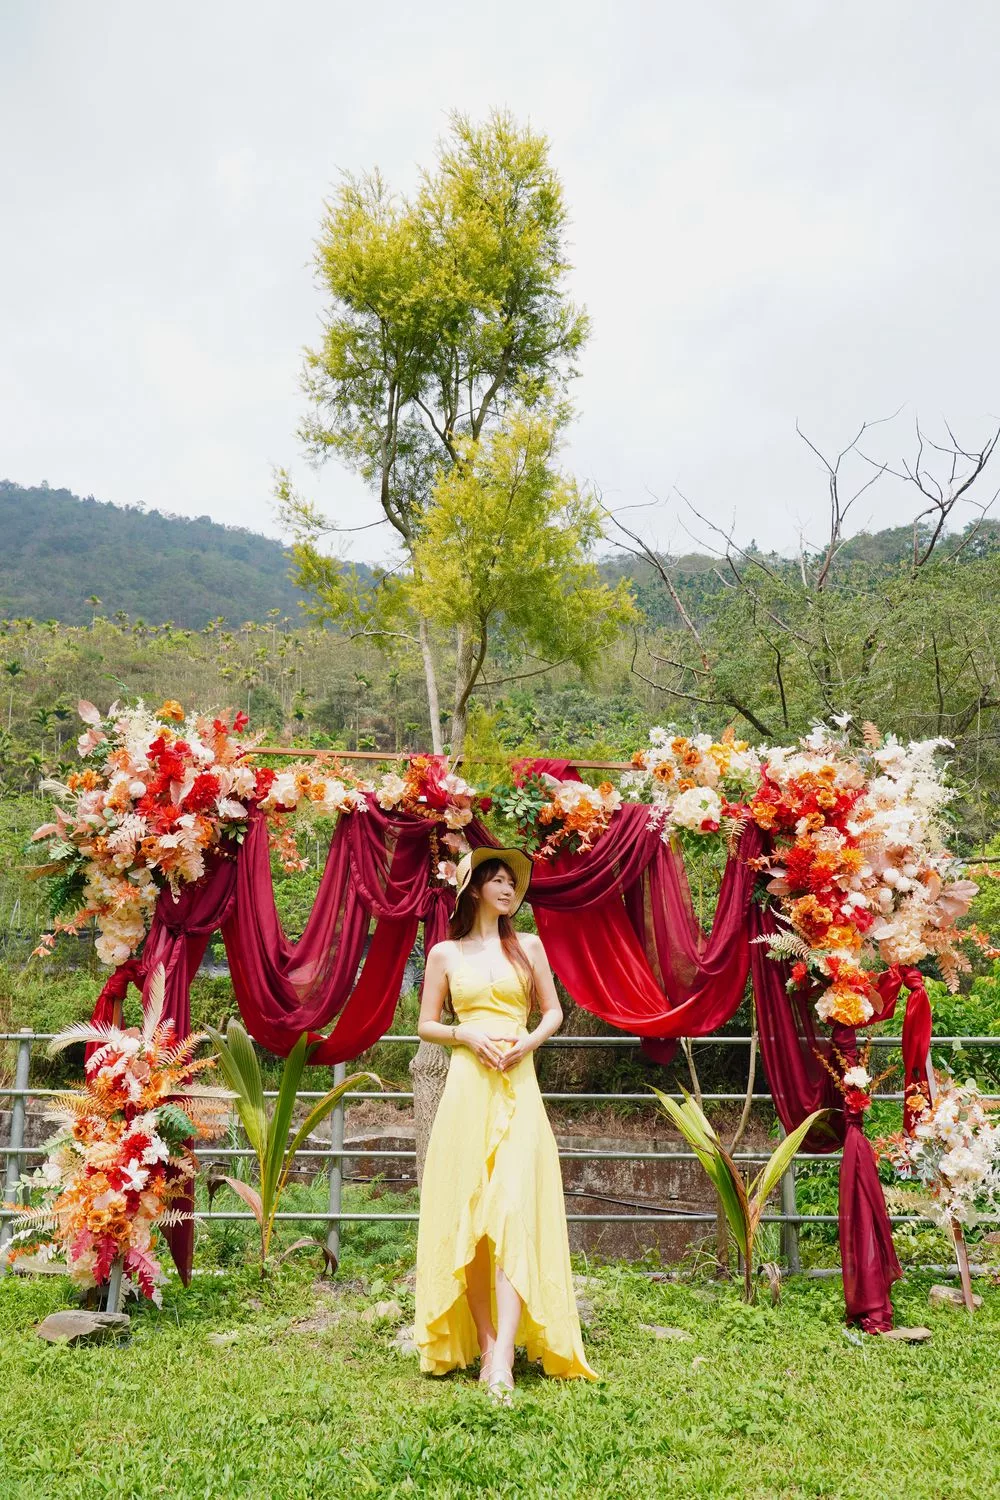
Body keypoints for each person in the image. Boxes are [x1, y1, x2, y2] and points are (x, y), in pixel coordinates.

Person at [413, 847, 597, 1402]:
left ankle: (506, 1359)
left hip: (519, 1085)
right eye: (495, 879)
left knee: (514, 1210)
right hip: (468, 1088)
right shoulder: (444, 953)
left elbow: (554, 1011)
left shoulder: (530, 947)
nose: (507, 888)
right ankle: (489, 1345)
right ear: (472, 889)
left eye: (511, 881)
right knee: (470, 1216)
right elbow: (426, 1023)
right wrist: (464, 1034)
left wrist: (528, 1043)